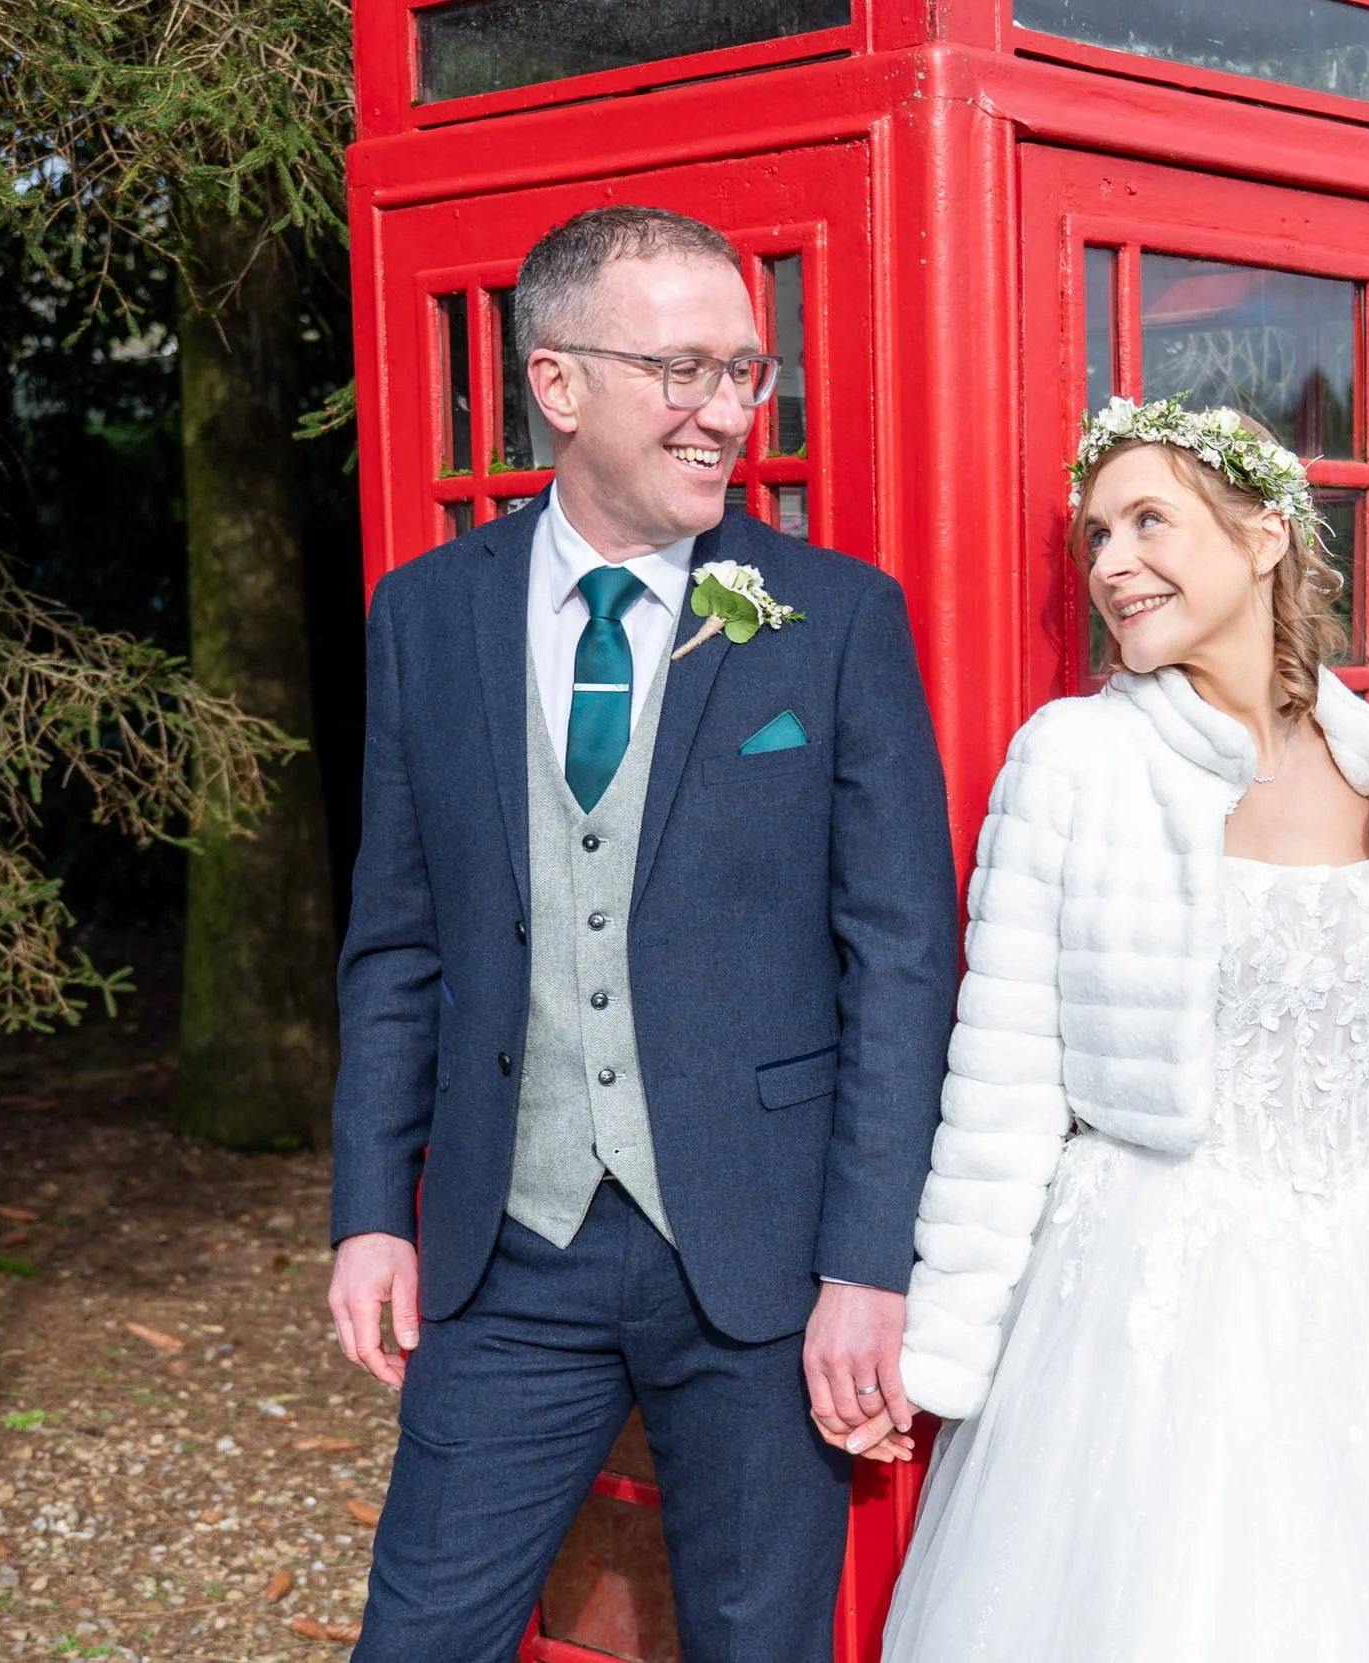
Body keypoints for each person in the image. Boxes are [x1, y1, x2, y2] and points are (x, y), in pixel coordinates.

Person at [324, 205, 957, 1661]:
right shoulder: (426, 615)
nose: (727, 411)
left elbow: (904, 959)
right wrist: (370, 1206)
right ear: (557, 384)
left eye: (746, 371)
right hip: (508, 1245)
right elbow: (397, 942)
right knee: (419, 1637)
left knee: (758, 1641)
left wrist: (870, 1261)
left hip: (760, 1254)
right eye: (684, 370)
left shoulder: (836, 616)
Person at [873, 398, 1369, 1660]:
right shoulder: (1074, 761)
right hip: (1144, 1299)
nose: (1109, 564)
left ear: (1265, 536)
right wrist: (940, 1355)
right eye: (1095, 535)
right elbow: (999, 1085)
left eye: (1149, 520)